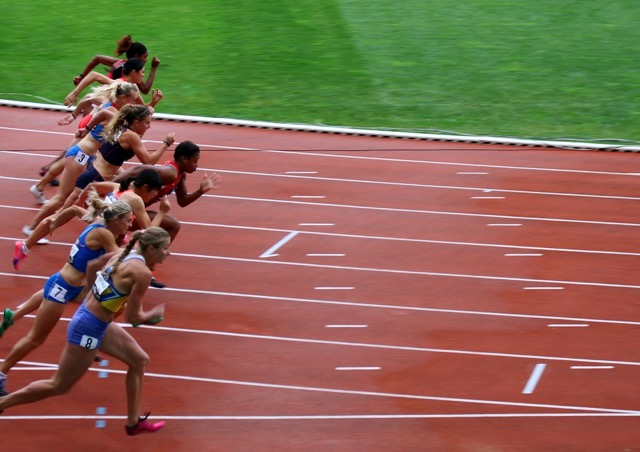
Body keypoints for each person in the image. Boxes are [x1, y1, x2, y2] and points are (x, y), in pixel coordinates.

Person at [0, 227, 171, 436]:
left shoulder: (122, 254)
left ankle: (133, 422)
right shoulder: (142, 273)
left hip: (94, 321)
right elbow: (133, 318)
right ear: (152, 249)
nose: (168, 253)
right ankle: (3, 402)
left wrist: (96, 295)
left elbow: (92, 266)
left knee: (139, 360)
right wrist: (153, 315)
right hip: (88, 328)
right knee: (59, 385)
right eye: (165, 249)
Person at [0, 200, 133, 397]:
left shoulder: (99, 222)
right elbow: (116, 260)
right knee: (36, 338)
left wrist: (55, 221)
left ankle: (92, 336)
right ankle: (1, 373)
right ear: (115, 220)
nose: (130, 225)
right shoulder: (103, 233)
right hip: (62, 287)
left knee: (116, 305)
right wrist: (137, 246)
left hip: (75, 288)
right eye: (128, 220)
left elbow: (73, 209)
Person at [23, 82, 141, 239]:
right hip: (81, 155)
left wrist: (74, 117)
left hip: (89, 156)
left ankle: (107, 230)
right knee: (62, 197)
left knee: (90, 196)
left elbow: (87, 99)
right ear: (124, 98)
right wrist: (83, 126)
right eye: (133, 100)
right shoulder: (113, 112)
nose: (135, 104)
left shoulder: (108, 103)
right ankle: (31, 228)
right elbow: (127, 124)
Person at [14, 169, 170, 270]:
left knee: (65, 215)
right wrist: (162, 212)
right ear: (145, 187)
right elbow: (149, 232)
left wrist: (80, 203)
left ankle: (25, 245)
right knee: (118, 257)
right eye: (155, 191)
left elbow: (90, 186)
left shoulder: (118, 186)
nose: (155, 195)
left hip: (100, 222)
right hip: (102, 230)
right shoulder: (135, 200)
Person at [60, 104, 174, 213]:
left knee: (89, 213)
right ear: (137, 122)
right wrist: (165, 144)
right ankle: (49, 222)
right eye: (147, 123)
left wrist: (86, 129)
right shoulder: (131, 136)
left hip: (95, 173)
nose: (149, 126)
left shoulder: (121, 125)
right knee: (64, 208)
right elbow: (148, 161)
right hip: (95, 176)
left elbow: (104, 113)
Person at [73, 35, 160, 95]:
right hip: (106, 101)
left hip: (102, 95)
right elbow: (145, 89)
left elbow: (97, 58)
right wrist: (154, 68)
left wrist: (82, 77)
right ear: (136, 56)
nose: (146, 60)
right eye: (145, 57)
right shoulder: (131, 71)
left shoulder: (120, 62)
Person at [65, 58, 162, 108]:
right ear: (133, 72)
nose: (143, 75)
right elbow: (94, 75)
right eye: (143, 72)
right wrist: (75, 93)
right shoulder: (119, 84)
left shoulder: (134, 88)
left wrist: (153, 102)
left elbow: (143, 110)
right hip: (96, 124)